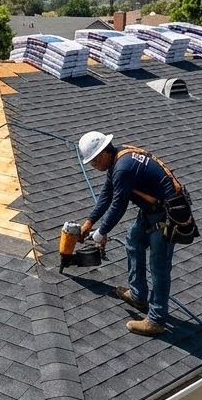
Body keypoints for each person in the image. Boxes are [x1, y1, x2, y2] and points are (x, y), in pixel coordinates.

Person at [78, 130, 187, 337]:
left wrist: (101, 233)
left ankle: (156, 320)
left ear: (102, 154)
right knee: (133, 239)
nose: (93, 166)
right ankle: (138, 295)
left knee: (159, 267)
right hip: (150, 210)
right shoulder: (118, 159)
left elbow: (118, 205)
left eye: (93, 162)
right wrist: (89, 222)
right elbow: (106, 195)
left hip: (166, 215)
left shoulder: (123, 168)